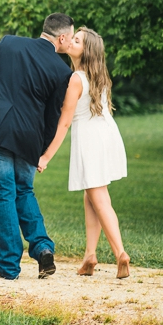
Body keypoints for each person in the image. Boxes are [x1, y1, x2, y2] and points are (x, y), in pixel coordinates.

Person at [0, 13, 75, 280]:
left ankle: (9, 267)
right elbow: (52, 116)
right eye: (71, 38)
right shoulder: (63, 71)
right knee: (24, 191)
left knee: (2, 194)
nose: (70, 42)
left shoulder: (9, 43)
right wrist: (42, 147)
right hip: (30, 138)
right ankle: (43, 247)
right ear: (61, 38)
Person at [37, 27, 130, 279]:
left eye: (77, 40)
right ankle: (89, 256)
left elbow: (64, 122)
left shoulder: (76, 78)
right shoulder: (98, 76)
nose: (72, 41)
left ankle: (120, 252)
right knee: (91, 196)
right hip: (106, 135)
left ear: (85, 50)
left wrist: (45, 156)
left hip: (90, 140)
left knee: (100, 198)